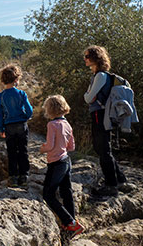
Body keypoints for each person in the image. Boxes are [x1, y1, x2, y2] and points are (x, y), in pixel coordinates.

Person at [83, 45, 127, 197]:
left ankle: (111, 185)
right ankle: (120, 179)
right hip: (102, 114)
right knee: (101, 148)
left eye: (87, 56)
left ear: (96, 58)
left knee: (103, 149)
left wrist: (87, 95)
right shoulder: (100, 76)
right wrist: (89, 95)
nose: (85, 59)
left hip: (100, 115)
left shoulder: (100, 76)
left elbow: (88, 98)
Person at [40, 95, 84, 237]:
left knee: (48, 194)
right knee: (67, 193)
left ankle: (71, 223)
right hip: (66, 161)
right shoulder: (67, 124)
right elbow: (71, 147)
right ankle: (70, 224)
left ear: (50, 109)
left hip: (56, 163)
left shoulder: (52, 125)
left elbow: (50, 145)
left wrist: (43, 148)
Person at [0, 64, 33, 187]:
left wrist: (2, 129)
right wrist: (25, 117)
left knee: (11, 152)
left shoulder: (0, 96)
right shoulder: (21, 94)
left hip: (9, 127)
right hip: (21, 125)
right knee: (23, 150)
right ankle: (24, 176)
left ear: (3, 80)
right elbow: (29, 111)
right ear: (16, 79)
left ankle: (13, 178)